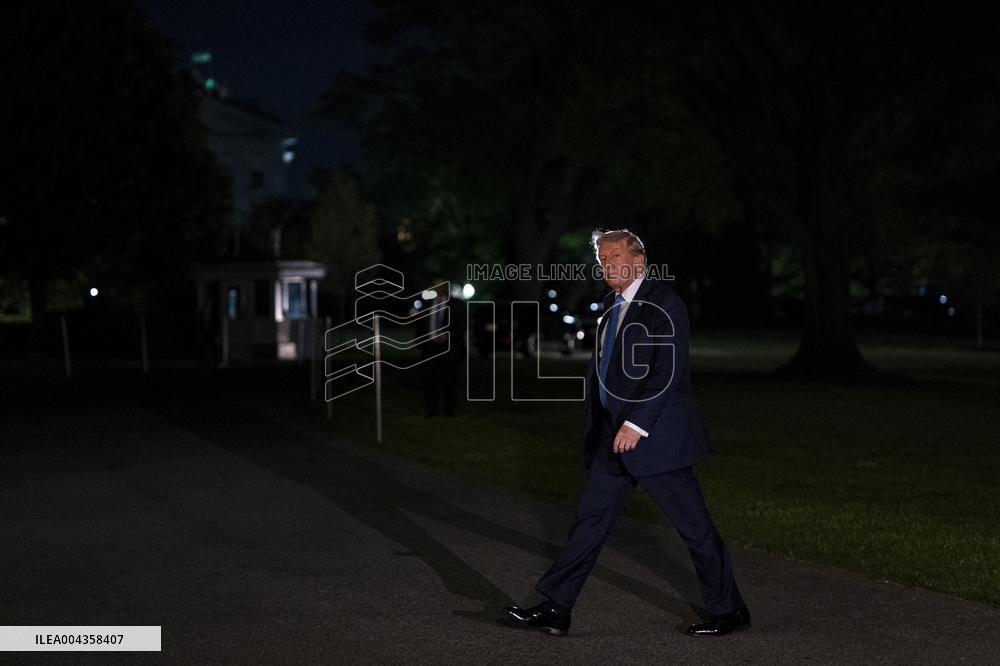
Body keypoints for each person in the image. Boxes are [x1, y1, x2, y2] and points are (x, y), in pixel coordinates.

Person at [504, 229, 750, 637]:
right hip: (611, 437)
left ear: (638, 259)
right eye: (601, 258)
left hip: (655, 440)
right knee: (589, 522)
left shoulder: (665, 304)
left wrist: (636, 424)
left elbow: (667, 373)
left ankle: (730, 611)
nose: (606, 264)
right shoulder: (609, 305)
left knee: (695, 528)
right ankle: (556, 608)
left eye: (613, 255)